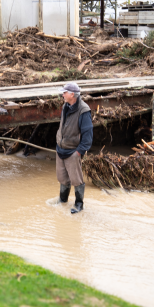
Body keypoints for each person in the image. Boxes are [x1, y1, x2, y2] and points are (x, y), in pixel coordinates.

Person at [54, 82, 92, 214]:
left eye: (64, 92)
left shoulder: (84, 110)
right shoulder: (66, 105)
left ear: (72, 94)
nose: (62, 94)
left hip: (73, 151)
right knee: (62, 178)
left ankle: (79, 204)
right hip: (61, 149)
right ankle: (63, 200)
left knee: (77, 179)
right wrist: (59, 143)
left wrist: (79, 152)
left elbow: (88, 136)